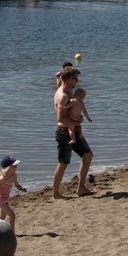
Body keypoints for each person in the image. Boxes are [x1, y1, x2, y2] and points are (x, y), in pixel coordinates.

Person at [51, 65, 93, 198]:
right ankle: (56, 193)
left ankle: (81, 188)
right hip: (64, 132)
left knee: (87, 155)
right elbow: (61, 118)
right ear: (68, 79)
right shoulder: (63, 95)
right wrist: (77, 122)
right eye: (75, 79)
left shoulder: (67, 90)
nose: (77, 81)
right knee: (63, 163)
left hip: (74, 130)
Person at [0, 155, 27, 230]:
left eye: (16, 165)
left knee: (2, 217)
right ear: (8, 168)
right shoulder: (2, 178)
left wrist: (22, 189)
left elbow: (17, 185)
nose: (16, 167)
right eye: (14, 166)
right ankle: (12, 233)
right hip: (0, 200)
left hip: (6, 199)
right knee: (12, 216)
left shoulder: (14, 176)